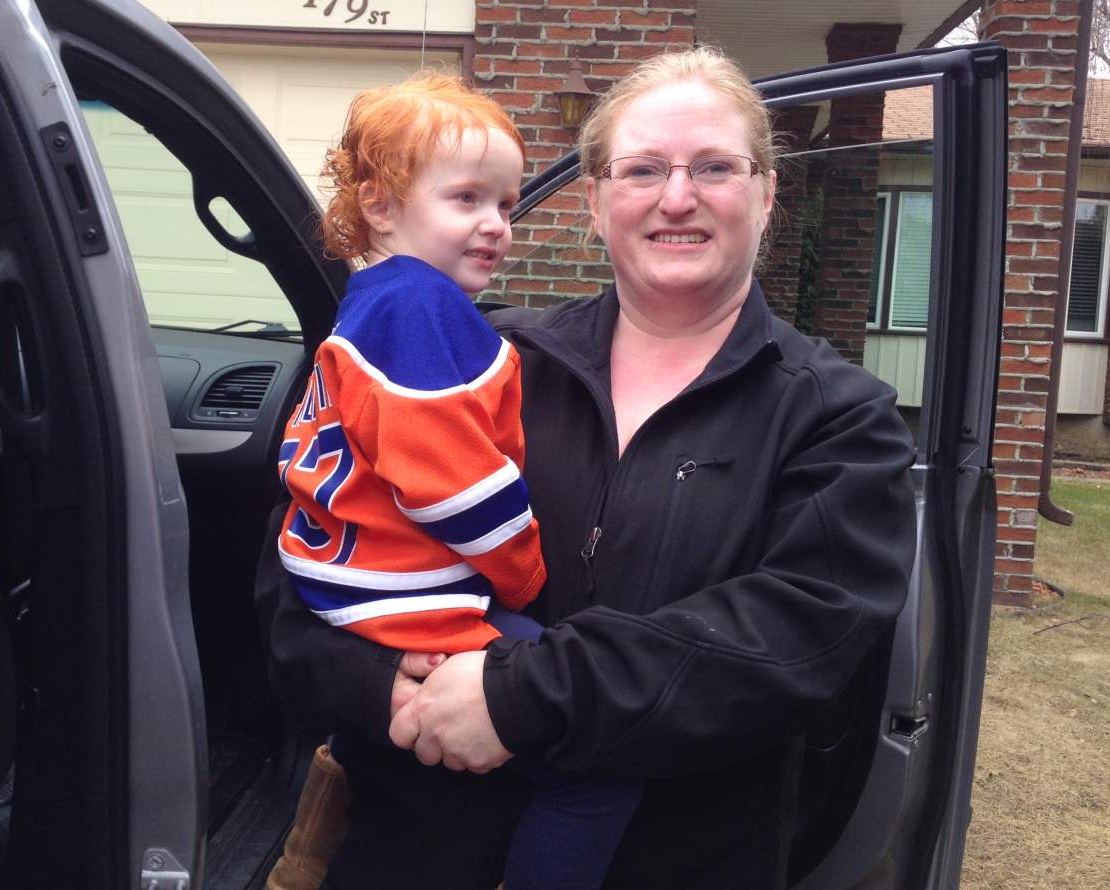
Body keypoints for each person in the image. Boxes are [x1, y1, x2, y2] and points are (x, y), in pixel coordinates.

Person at [257, 47, 917, 890]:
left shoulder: (837, 416)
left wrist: (518, 697)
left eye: (714, 166)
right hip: (412, 851)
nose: (677, 196)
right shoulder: (477, 359)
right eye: (642, 169)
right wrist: (382, 681)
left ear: (766, 192)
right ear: (597, 203)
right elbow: (296, 572)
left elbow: (793, 643)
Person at [269, 72, 642, 890]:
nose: (495, 225)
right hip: (415, 610)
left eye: (507, 204)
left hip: (352, 595)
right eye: (466, 198)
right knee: (599, 764)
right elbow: (459, 488)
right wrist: (526, 575)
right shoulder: (423, 310)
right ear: (379, 205)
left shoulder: (369, 304)